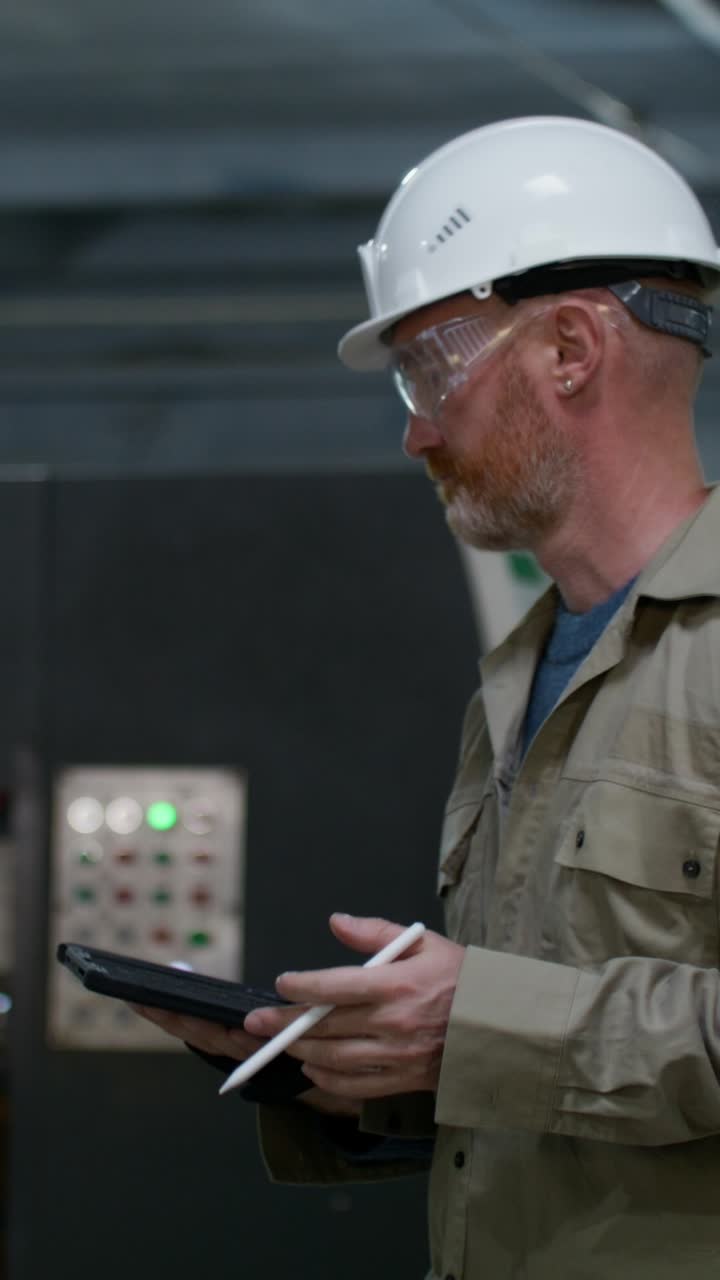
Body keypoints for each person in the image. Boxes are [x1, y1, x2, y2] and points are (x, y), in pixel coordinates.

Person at [137, 116, 720, 1279]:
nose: (415, 430)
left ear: (571, 347)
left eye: (432, 367)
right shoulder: (525, 673)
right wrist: (355, 1069)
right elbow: (556, 1085)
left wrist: (476, 1023)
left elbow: (527, 1033)